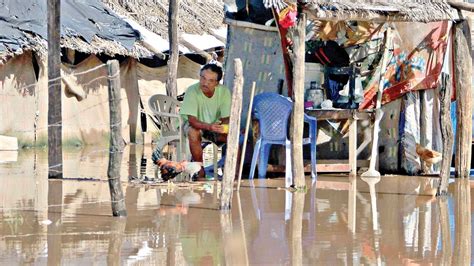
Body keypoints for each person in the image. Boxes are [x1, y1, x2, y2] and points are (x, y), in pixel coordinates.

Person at [179, 63, 232, 180]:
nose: (205, 83)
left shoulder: (224, 92)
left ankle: (233, 173)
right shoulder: (192, 90)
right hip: (195, 125)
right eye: (203, 78)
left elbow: (226, 118)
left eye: (210, 80)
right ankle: (200, 169)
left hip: (214, 126)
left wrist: (224, 127)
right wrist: (210, 127)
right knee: (193, 132)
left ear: (217, 83)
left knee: (236, 137)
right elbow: (192, 121)